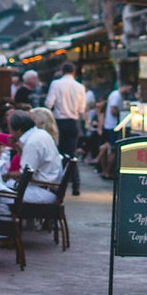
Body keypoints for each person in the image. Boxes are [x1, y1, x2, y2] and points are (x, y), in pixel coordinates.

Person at [0, 110, 62, 213]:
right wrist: (17, 147)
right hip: (45, 186)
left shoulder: (32, 143)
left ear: (18, 129)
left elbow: (24, 174)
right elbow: (28, 165)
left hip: (42, 190)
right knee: (1, 187)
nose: (9, 132)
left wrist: (6, 175)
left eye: (10, 128)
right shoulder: (39, 133)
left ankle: (7, 224)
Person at [45, 62, 86, 196]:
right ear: (74, 72)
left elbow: (49, 103)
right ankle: (76, 185)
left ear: (62, 70)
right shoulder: (80, 87)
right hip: (73, 122)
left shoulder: (56, 84)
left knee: (57, 154)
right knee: (72, 154)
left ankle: (57, 185)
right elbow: (82, 109)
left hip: (58, 122)